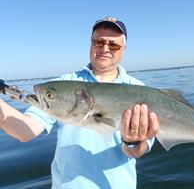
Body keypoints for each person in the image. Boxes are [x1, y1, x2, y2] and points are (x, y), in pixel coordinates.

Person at [0, 17, 160, 189]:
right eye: (99, 42)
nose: (105, 48)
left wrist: (133, 142)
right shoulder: (66, 81)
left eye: (113, 45)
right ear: (91, 43)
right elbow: (25, 131)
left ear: (123, 49)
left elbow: (136, 152)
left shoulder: (140, 91)